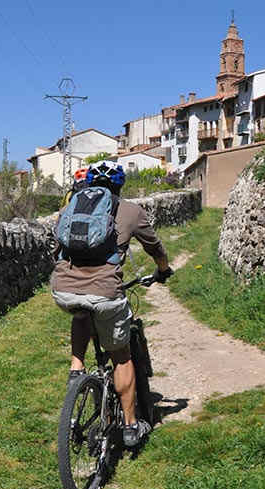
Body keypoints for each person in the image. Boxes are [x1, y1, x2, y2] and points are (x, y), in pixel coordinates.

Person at [51, 161, 172, 447]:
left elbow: (56, 248)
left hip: (63, 290)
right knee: (121, 356)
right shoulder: (130, 211)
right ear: (119, 186)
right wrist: (163, 269)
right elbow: (154, 247)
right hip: (105, 294)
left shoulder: (69, 209)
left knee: (81, 313)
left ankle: (76, 368)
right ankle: (131, 426)